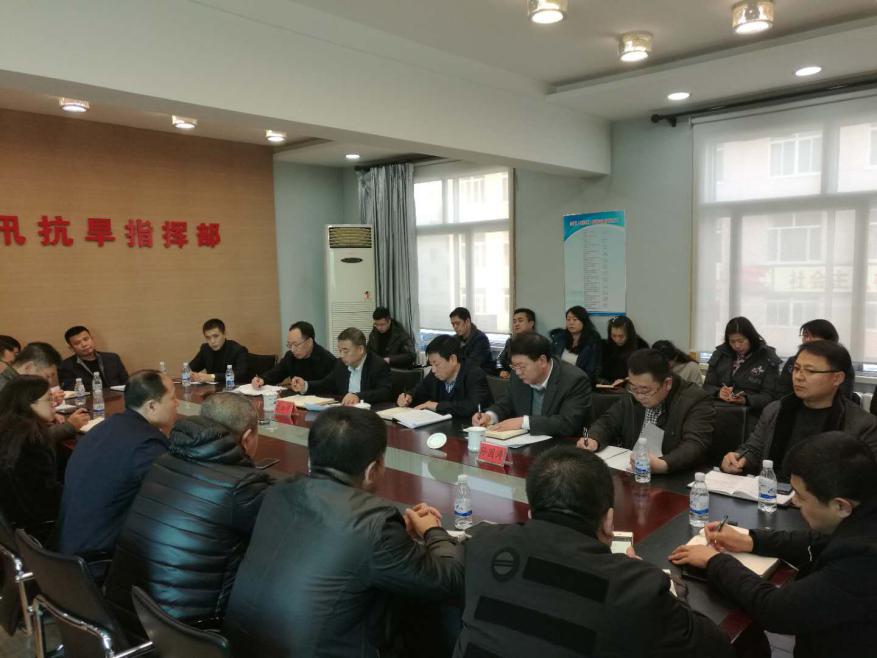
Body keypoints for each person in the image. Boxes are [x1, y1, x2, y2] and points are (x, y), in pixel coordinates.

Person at [223, 407, 462, 658]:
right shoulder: (375, 523)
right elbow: (449, 581)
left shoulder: (278, 492)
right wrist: (433, 531)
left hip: (238, 648)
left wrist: (397, 535)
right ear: (372, 470)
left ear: (311, 458)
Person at [454, 446, 732, 658]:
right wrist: (664, 587)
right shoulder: (634, 587)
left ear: (531, 512)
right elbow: (717, 647)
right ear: (609, 522)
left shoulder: (481, 544)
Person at [671, 432, 877, 658]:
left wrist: (715, 561)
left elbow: (777, 610)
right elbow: (817, 541)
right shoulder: (863, 512)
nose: (794, 501)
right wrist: (752, 540)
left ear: (841, 506)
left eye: (801, 496)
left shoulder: (864, 559)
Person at [104, 392, 272, 633]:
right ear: (247, 439)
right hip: (182, 632)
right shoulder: (242, 486)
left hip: (124, 612)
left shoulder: (163, 461)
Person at [57, 370, 178, 559]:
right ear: (152, 406)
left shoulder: (105, 427)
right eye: (172, 398)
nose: (177, 403)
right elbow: (172, 499)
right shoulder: (147, 445)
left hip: (66, 546)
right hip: (99, 556)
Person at [721, 340, 877, 481]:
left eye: (810, 371)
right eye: (796, 369)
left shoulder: (862, 425)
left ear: (837, 378)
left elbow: (864, 482)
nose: (798, 377)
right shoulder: (776, 410)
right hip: (774, 493)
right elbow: (754, 449)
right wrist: (738, 458)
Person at [579, 349, 715, 474]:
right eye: (633, 388)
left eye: (645, 391)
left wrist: (663, 464)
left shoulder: (695, 400)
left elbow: (695, 445)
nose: (639, 396)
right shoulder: (633, 393)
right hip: (632, 473)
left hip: (675, 478)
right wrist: (593, 438)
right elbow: (608, 421)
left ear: (667, 384)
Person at [473, 332, 592, 436]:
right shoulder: (517, 374)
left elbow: (567, 423)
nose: (518, 372)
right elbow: (507, 403)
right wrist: (490, 416)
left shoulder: (574, 380)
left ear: (542, 361)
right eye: (514, 366)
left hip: (562, 446)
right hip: (524, 444)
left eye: (522, 366)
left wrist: (523, 422)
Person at [0, 376, 63, 542]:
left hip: (13, 526)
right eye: (48, 399)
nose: (54, 404)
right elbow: (48, 498)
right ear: (29, 404)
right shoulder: (32, 441)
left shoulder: (10, 430)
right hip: (39, 530)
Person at [0, 342, 90, 437]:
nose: (49, 383)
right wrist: (70, 426)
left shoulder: (16, 385)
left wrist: (42, 415)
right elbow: (25, 437)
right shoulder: (5, 391)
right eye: (47, 376)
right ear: (29, 368)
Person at [397, 334, 492, 419]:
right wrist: (409, 396)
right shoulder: (435, 374)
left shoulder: (475, 374)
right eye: (431, 364)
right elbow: (420, 391)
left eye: (436, 364)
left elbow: (474, 406)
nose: (433, 370)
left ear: (453, 359)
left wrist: (437, 406)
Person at [702, 317, 780, 418]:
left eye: (740, 341)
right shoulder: (720, 354)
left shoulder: (767, 357)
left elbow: (770, 396)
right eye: (732, 341)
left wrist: (746, 400)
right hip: (718, 412)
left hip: (751, 416)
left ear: (751, 338)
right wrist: (718, 392)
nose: (737, 345)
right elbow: (707, 386)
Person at [291, 327, 392, 405]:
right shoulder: (340, 364)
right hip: (345, 411)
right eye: (340, 351)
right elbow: (326, 384)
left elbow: (385, 392)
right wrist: (305, 385)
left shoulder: (378, 364)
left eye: (346, 351)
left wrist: (358, 396)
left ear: (360, 349)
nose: (342, 355)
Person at [776, 319, 855, 400]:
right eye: (805, 336)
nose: (807, 340)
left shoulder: (840, 363)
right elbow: (782, 392)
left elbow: (844, 396)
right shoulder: (794, 361)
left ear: (827, 339)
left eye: (811, 371)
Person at [250, 321, 336, 389]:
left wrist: (305, 386)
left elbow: (330, 386)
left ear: (309, 341)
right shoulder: (290, 356)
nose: (293, 349)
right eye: (289, 345)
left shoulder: (328, 359)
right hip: (296, 401)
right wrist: (262, 380)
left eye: (296, 345)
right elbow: (277, 372)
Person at [58, 325, 129, 390]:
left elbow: (127, 383)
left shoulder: (113, 358)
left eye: (86, 339)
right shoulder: (66, 367)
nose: (84, 344)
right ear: (71, 348)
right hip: (90, 400)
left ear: (92, 339)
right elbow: (71, 392)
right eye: (77, 343)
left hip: (119, 397)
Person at [550, 305, 602, 385]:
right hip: (558, 382)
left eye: (575, 319)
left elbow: (591, 370)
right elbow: (551, 362)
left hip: (580, 383)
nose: (571, 323)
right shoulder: (559, 339)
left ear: (583, 321)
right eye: (568, 319)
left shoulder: (592, 342)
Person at [188, 318, 249, 383]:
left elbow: (240, 375)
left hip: (233, 387)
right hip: (212, 388)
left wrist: (211, 377)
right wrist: (190, 374)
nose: (212, 341)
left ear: (224, 334)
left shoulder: (238, 350)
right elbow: (190, 368)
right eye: (208, 338)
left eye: (216, 336)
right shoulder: (205, 349)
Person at [600, 315, 648, 385]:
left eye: (621, 336)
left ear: (629, 334)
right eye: (613, 336)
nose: (617, 340)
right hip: (608, 385)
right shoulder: (605, 346)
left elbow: (644, 372)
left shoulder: (641, 346)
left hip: (631, 385)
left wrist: (625, 380)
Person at [450, 307, 494, 374]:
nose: (455, 327)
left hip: (479, 376)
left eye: (458, 323)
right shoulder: (454, 339)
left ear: (467, 321)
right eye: (453, 324)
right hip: (461, 374)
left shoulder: (481, 339)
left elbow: (471, 364)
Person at [498, 308, 536, 378]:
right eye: (514, 322)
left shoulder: (539, 343)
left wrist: (515, 376)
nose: (516, 324)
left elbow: (537, 369)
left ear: (531, 324)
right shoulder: (510, 341)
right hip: (510, 379)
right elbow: (501, 360)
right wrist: (502, 370)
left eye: (520, 321)